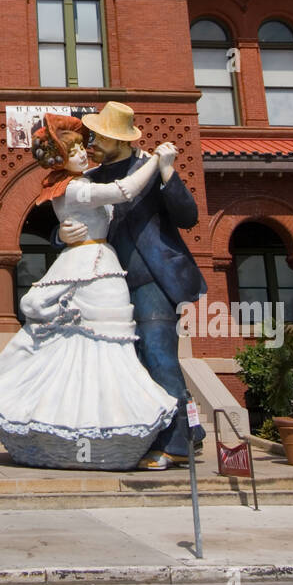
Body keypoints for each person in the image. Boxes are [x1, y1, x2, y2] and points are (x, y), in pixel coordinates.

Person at [0, 114, 179, 469]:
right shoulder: (75, 187)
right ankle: (92, 428)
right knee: (98, 345)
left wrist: (63, 233)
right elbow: (122, 192)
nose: (83, 154)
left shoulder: (74, 185)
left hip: (94, 262)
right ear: (60, 160)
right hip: (92, 267)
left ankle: (98, 427)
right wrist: (156, 161)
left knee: (93, 346)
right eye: (74, 151)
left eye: (81, 148)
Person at [59, 101, 207, 469]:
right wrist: (62, 234)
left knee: (159, 355)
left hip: (151, 278)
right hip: (106, 282)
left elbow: (188, 217)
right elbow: (68, 218)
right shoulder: (90, 178)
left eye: (101, 137)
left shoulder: (152, 167)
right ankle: (190, 431)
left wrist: (169, 173)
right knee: (130, 363)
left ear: (122, 142)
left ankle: (177, 445)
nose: (92, 141)